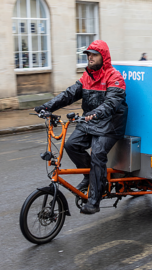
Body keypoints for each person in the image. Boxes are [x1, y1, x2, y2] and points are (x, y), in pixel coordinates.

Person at [34, 40, 128, 215]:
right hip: (90, 121)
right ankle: (90, 177)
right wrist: (47, 107)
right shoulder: (87, 77)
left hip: (110, 124)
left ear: (104, 57)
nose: (89, 57)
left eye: (93, 54)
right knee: (71, 145)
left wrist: (96, 113)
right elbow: (69, 94)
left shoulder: (114, 77)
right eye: (88, 54)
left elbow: (111, 103)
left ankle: (95, 199)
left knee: (98, 154)